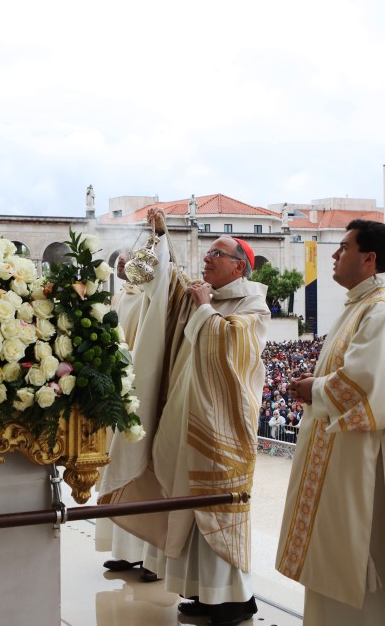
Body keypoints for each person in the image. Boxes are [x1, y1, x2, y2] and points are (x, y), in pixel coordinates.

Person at [276, 219, 385, 625]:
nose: (335, 256)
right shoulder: (364, 304)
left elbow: (371, 390)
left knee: (367, 582)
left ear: (370, 259)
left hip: (372, 474)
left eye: (344, 248)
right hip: (349, 465)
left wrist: (314, 390)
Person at [99, 209, 269, 626]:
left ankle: (234, 599)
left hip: (220, 424)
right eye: (208, 252)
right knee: (187, 507)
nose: (207, 259)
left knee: (215, 509)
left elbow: (233, 346)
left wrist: (207, 311)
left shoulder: (253, 303)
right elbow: (165, 280)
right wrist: (160, 236)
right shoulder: (200, 293)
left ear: (239, 266)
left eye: (217, 253)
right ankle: (204, 594)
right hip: (186, 415)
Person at [96, 249, 157, 582]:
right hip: (118, 391)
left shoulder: (151, 299)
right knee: (116, 465)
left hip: (142, 391)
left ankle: (149, 555)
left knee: (141, 473)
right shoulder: (118, 297)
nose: (120, 262)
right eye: (118, 259)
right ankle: (124, 552)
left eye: (128, 258)